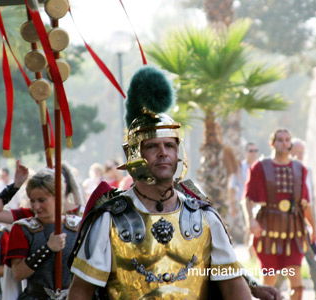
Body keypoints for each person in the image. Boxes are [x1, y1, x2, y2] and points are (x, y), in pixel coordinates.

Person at [68, 66, 279, 300]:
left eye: (169, 145)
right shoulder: (109, 219)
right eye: (152, 146)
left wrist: (252, 285)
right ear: (135, 155)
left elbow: (232, 284)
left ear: (178, 152)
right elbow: (81, 292)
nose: (163, 153)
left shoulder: (205, 216)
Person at [244, 129, 316, 300]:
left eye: (287, 140)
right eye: (280, 140)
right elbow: (248, 198)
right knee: (269, 280)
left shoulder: (300, 169)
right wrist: (251, 221)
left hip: (294, 231)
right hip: (268, 231)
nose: (284, 143)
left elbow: (305, 204)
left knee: (296, 282)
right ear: (272, 143)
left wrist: (314, 228)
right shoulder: (261, 167)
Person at [4, 167, 78, 299]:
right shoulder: (22, 228)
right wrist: (47, 248)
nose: (36, 206)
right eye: (32, 200)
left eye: (41, 200)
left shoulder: (78, 226)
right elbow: (18, 273)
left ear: (57, 197)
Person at [290, 139, 316, 299]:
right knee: (285, 258)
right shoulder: (285, 170)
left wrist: (313, 224)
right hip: (289, 221)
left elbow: (310, 199)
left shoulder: (307, 170)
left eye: (302, 152)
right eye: (296, 151)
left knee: (314, 255)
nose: (299, 155)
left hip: (305, 219)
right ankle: (271, 289)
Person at [0, 161, 85, 224]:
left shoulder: (83, 215)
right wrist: (15, 186)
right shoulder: (31, 214)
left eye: (42, 200)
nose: (36, 206)